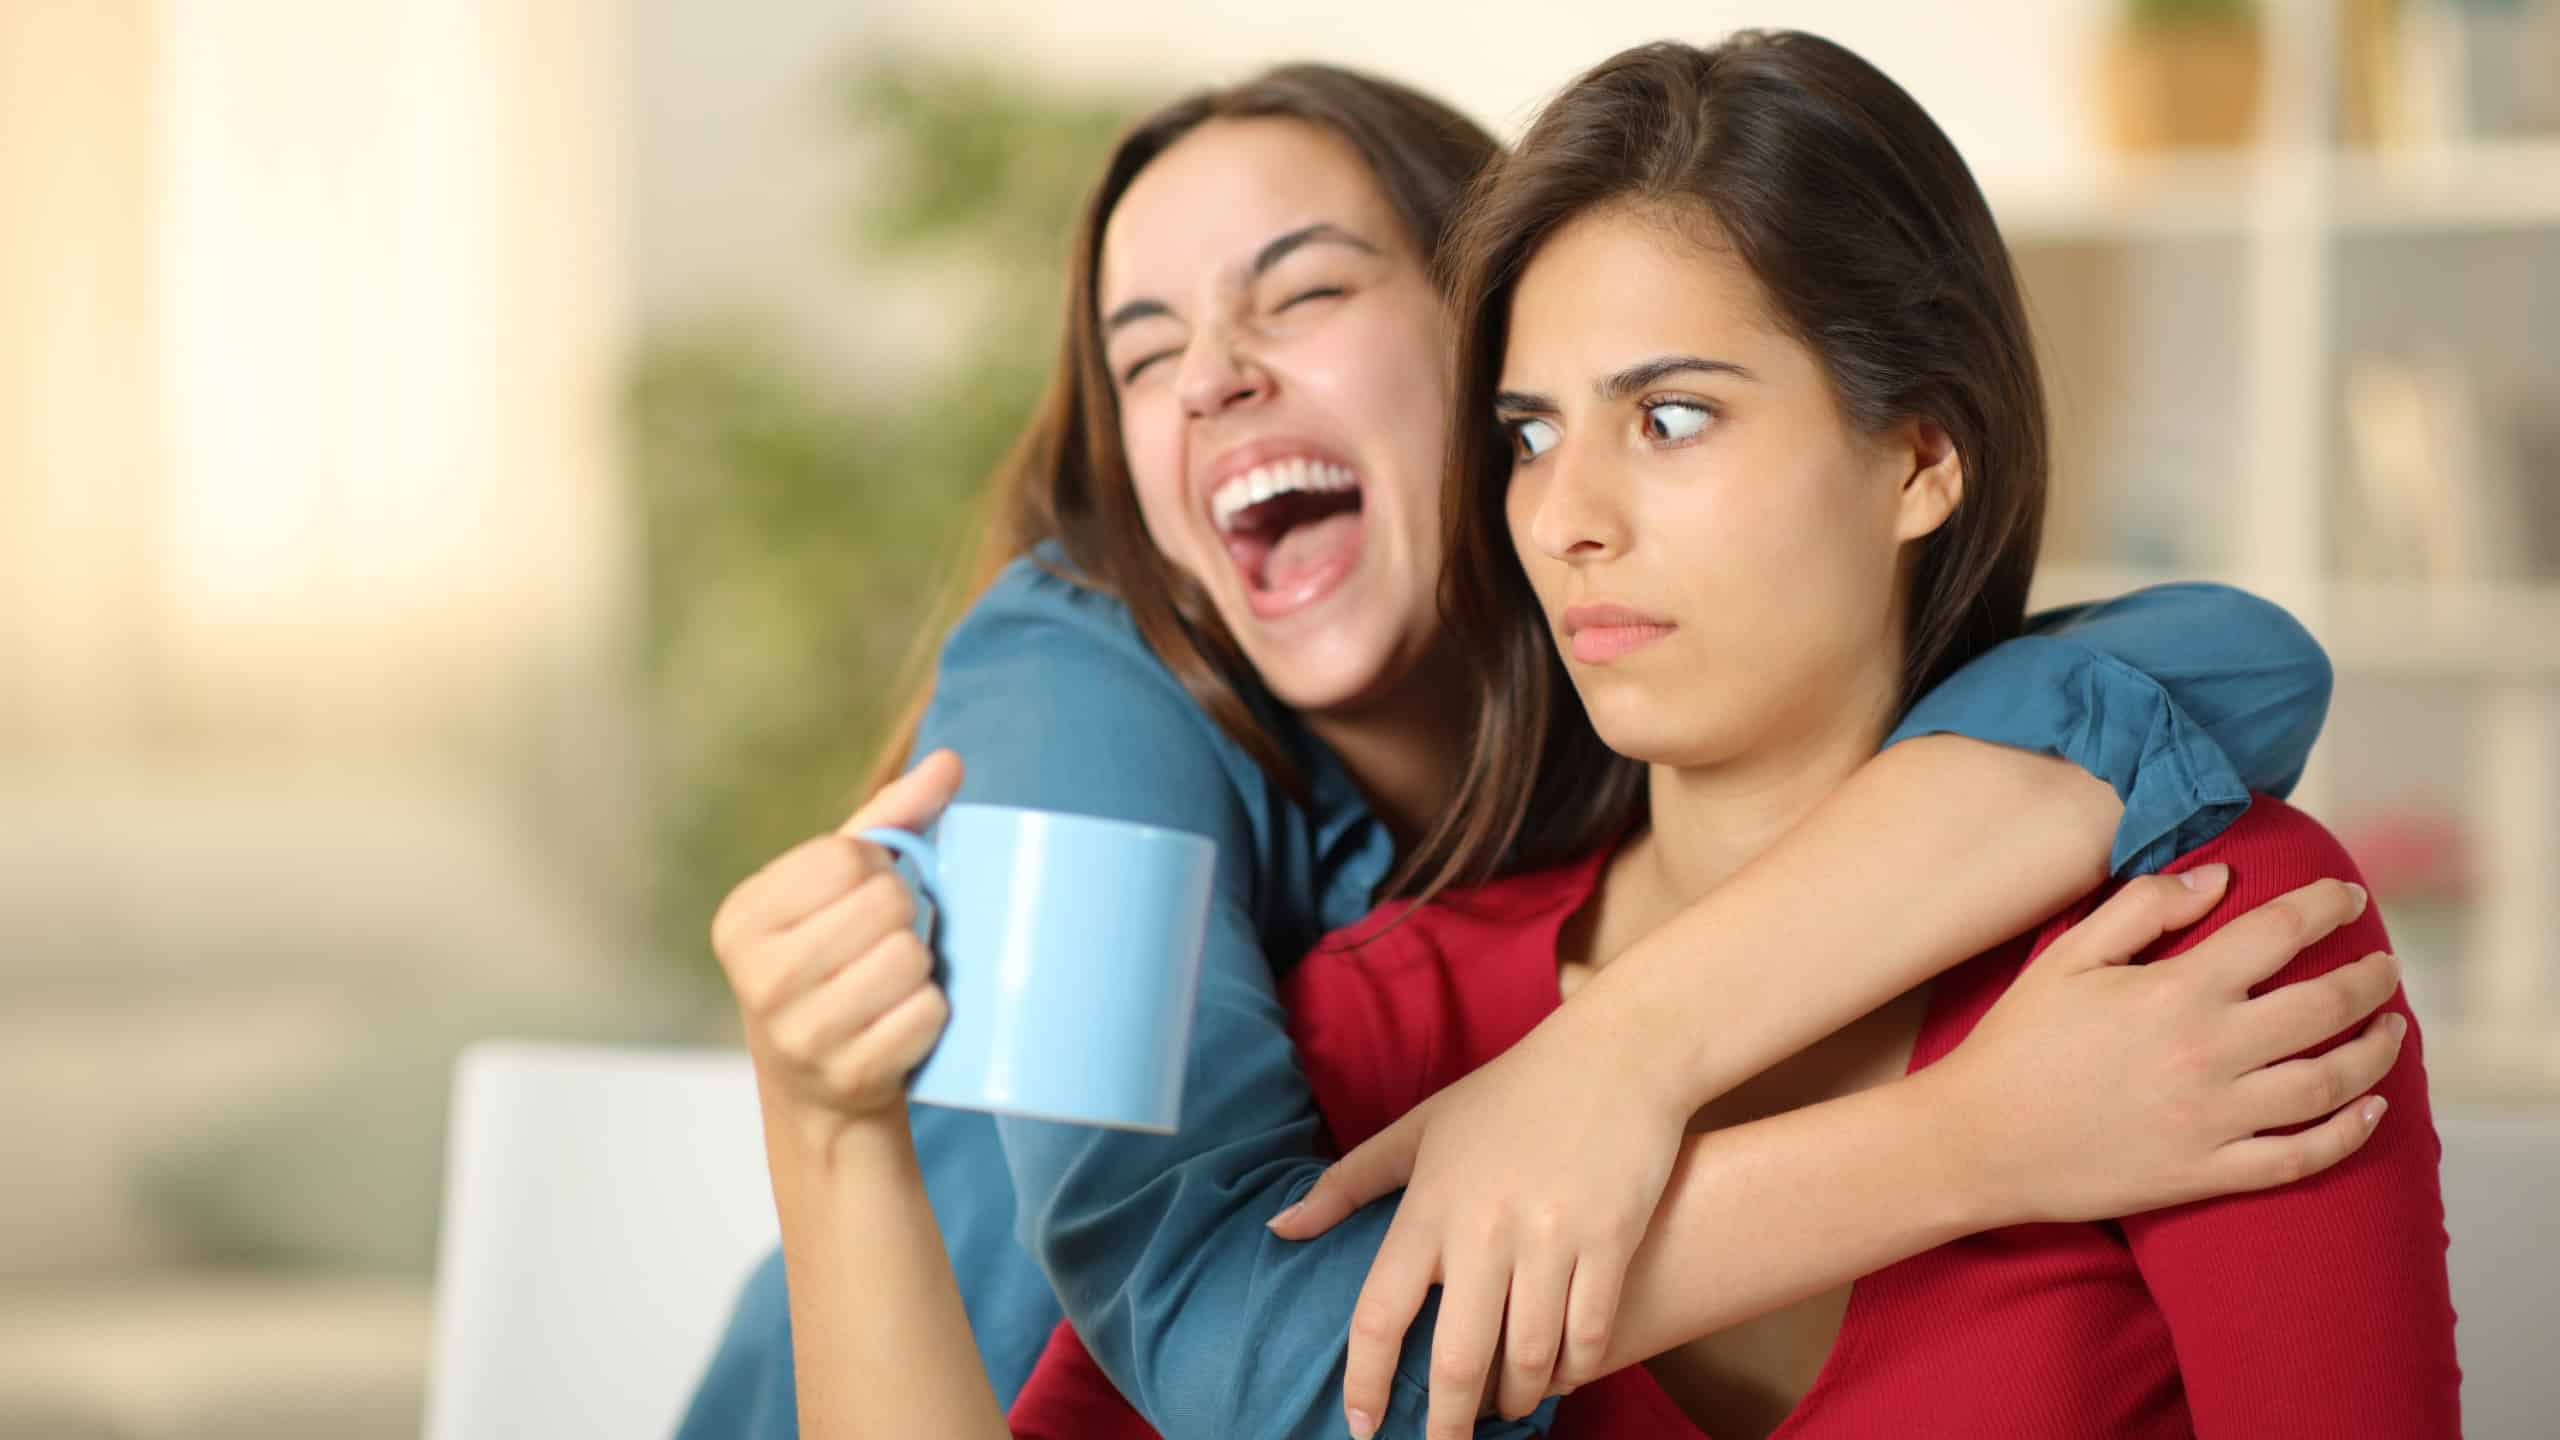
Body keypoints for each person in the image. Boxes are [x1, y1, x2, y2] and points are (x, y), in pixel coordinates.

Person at [678, 57, 2370, 1440]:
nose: (1213, 380)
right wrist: (1965, 1147)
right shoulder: (1078, 704)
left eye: (1305, 291)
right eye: (1145, 355)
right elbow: (1248, 1352)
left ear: (1485, 330)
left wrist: (1611, 1053)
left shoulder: (1615, 669)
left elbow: (2230, 666)